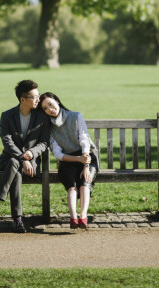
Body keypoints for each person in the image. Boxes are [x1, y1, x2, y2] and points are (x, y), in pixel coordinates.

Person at [0, 79, 49, 233]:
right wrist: (23, 158)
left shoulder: (42, 117)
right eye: (34, 97)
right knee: (12, 162)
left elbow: (44, 142)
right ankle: (16, 218)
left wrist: (30, 154)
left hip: (30, 163)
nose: (38, 100)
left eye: (38, 96)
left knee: (15, 169)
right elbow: (7, 142)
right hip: (8, 160)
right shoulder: (7, 116)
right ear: (22, 99)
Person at [38, 92, 98, 230]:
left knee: (84, 184)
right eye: (45, 108)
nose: (50, 109)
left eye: (51, 104)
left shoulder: (75, 116)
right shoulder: (49, 127)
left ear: (57, 101)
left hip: (86, 156)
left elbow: (84, 140)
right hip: (67, 160)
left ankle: (83, 216)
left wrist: (85, 165)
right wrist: (77, 159)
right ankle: (73, 218)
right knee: (72, 186)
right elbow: (58, 154)